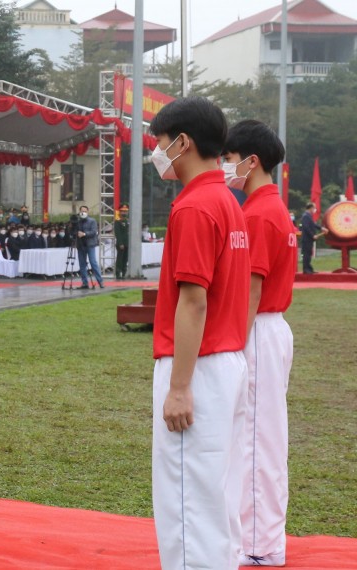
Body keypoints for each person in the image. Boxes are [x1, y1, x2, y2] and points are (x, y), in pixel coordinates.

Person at [148, 96, 250, 570]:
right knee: (213, 496)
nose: (158, 153)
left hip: (198, 367)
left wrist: (179, 387)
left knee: (187, 504)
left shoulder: (194, 206)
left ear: (182, 143)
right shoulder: (229, 201)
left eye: (161, 144)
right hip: (225, 360)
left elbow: (193, 299)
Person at [222, 119, 297, 567]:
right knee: (263, 436)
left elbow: (250, 287)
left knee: (253, 439)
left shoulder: (256, 213)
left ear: (251, 162)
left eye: (229, 159)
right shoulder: (274, 207)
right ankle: (263, 537)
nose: (224, 167)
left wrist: (233, 341)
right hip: (271, 327)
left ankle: (257, 544)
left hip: (257, 328)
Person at [75, 206, 104, 289]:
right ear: (79, 211)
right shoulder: (78, 221)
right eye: (81, 211)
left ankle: (100, 281)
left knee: (93, 262)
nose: (83, 212)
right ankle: (85, 282)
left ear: (88, 212)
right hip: (81, 245)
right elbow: (74, 231)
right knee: (82, 264)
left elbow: (94, 232)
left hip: (90, 244)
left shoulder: (92, 221)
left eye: (85, 211)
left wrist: (84, 234)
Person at [299, 202, 327, 273]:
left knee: (308, 254)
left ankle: (309, 269)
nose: (315, 209)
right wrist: (312, 235)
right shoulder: (305, 216)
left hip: (309, 239)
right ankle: (306, 269)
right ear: (311, 208)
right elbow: (306, 227)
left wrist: (321, 228)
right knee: (306, 254)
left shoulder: (309, 216)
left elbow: (313, 224)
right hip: (306, 239)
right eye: (314, 208)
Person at [115, 204, 130, 279]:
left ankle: (124, 272)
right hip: (121, 243)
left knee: (125, 259)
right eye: (122, 211)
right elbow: (118, 233)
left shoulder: (128, 220)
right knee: (120, 259)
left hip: (127, 243)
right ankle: (118, 273)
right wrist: (120, 243)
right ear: (120, 212)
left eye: (126, 211)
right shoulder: (118, 221)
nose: (124, 213)